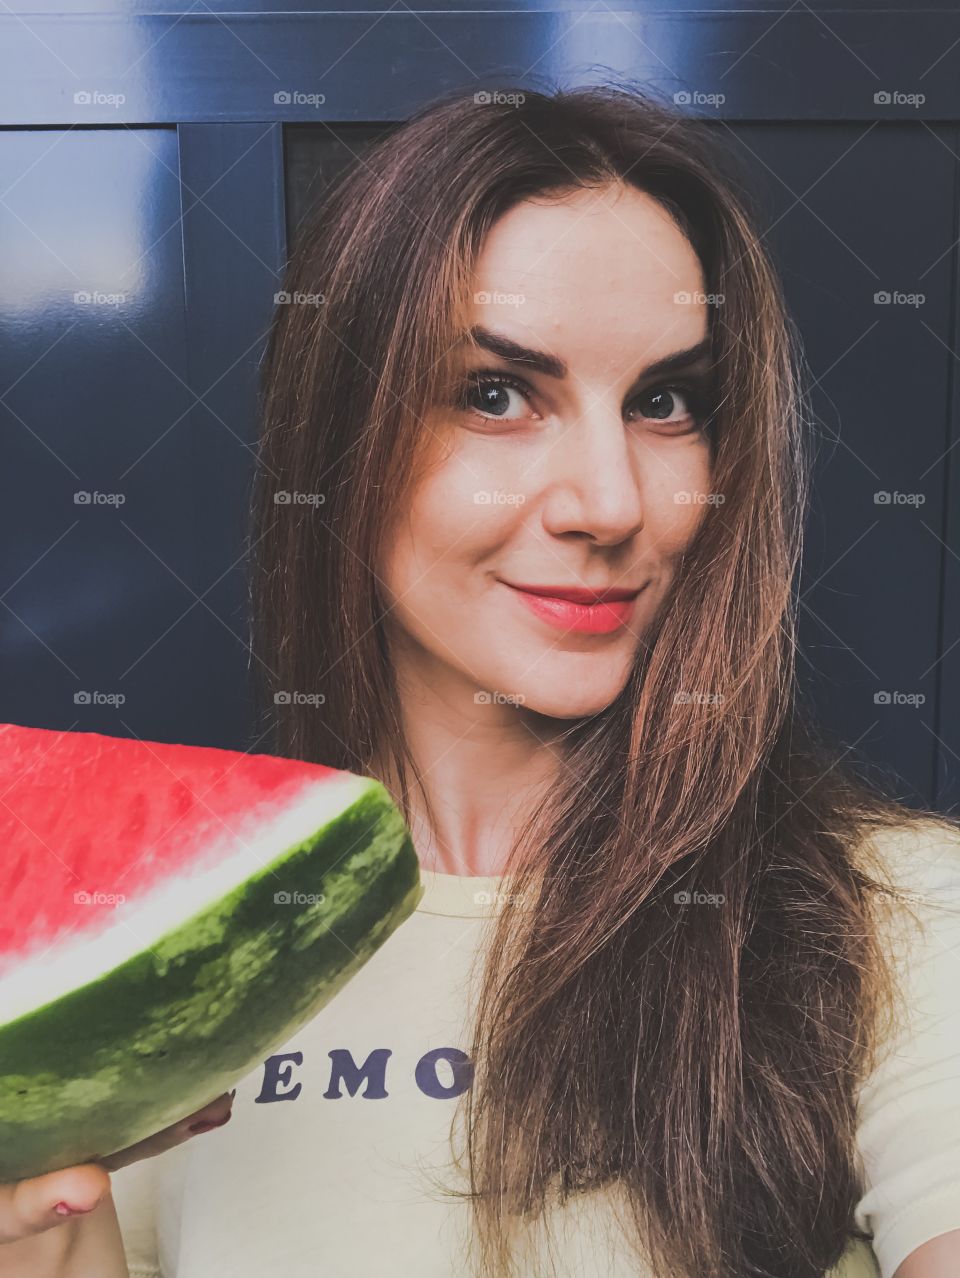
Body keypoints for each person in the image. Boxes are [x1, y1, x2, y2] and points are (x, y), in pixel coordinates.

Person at [4, 84, 960, 1278]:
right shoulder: (173, 940)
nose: (610, 503)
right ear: (341, 435)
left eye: (667, 402)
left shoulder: (906, 914)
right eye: (498, 394)